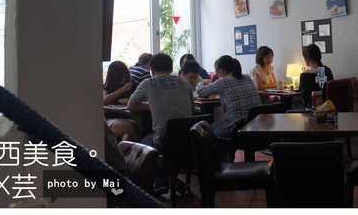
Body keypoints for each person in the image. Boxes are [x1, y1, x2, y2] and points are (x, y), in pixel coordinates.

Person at [128, 53, 193, 194]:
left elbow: (131, 106)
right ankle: (172, 181)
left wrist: (153, 105)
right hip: (189, 140)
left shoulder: (147, 83)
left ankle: (160, 181)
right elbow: (192, 108)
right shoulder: (185, 83)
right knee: (162, 139)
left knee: (144, 142)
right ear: (171, 68)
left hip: (165, 141)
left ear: (151, 70)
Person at [196, 55, 260, 137]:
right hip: (254, 125)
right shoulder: (247, 77)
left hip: (235, 127)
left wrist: (201, 82)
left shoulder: (223, 81)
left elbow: (201, 91)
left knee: (205, 129)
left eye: (216, 71)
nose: (217, 74)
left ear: (221, 70)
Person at [103, 61, 140, 142]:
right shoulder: (107, 86)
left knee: (127, 136)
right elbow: (104, 100)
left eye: (124, 77)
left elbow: (139, 99)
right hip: (111, 119)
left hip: (127, 116)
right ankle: (141, 147)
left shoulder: (132, 84)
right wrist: (122, 90)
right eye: (119, 79)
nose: (122, 80)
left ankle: (122, 150)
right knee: (131, 125)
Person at [299, 43, 335, 108]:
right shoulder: (328, 71)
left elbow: (304, 99)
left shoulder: (305, 76)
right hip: (328, 107)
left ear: (307, 58)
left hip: (312, 109)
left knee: (295, 104)